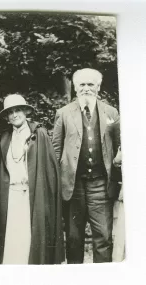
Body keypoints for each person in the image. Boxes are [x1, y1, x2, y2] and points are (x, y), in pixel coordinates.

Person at [52, 68, 121, 263]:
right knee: (74, 239)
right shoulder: (63, 113)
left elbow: (118, 148)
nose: (86, 89)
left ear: (98, 87)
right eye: (82, 84)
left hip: (101, 184)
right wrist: (59, 182)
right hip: (73, 187)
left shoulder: (111, 112)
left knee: (104, 237)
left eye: (91, 84)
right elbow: (56, 151)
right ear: (75, 88)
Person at [0, 94, 64, 265]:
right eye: (10, 112)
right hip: (11, 195)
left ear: (25, 112)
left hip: (32, 194)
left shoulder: (39, 134)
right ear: (7, 117)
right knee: (12, 238)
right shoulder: (4, 138)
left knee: (29, 236)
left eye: (18, 110)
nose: (15, 114)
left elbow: (49, 170)